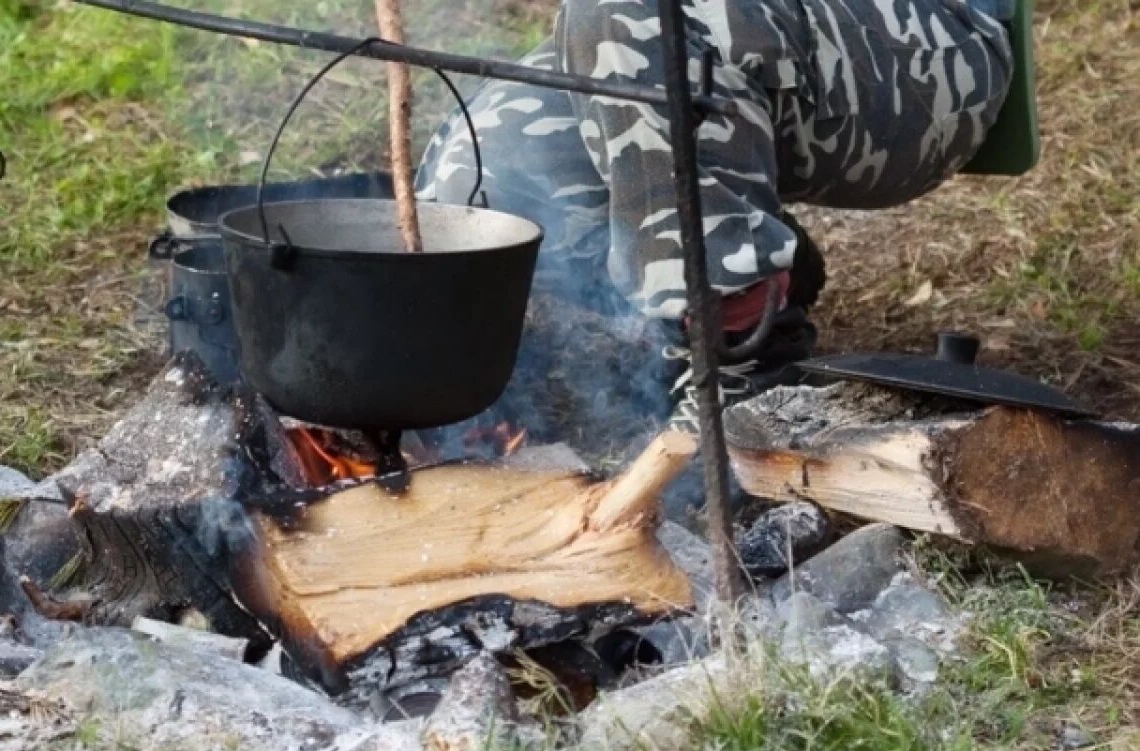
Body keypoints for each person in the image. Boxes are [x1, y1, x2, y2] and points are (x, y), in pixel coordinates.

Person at [416, 0, 1015, 431]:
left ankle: (743, 358)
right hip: (729, 21)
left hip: (922, 39)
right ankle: (733, 273)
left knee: (623, 16)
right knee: (483, 165)